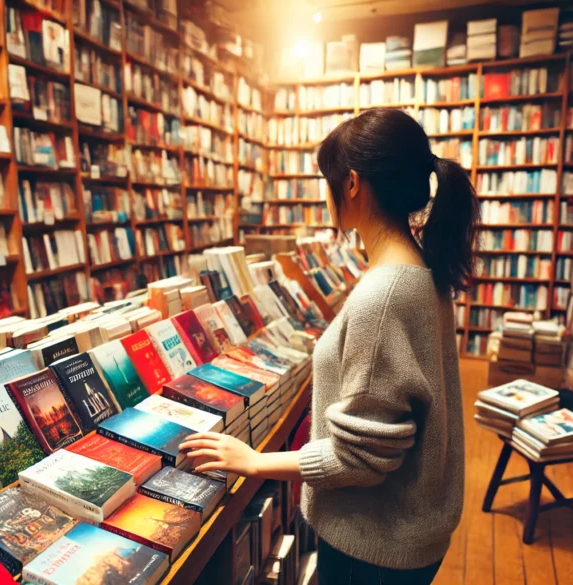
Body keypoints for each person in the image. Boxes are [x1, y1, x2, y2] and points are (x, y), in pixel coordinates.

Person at [180, 107, 477, 584]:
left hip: (377, 541)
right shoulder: (418, 270)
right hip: (402, 532)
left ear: (353, 184)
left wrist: (253, 462)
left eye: (328, 179)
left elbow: (361, 457)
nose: (325, 193)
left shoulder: (383, 297)